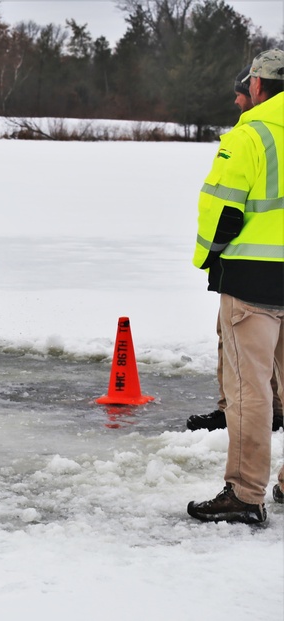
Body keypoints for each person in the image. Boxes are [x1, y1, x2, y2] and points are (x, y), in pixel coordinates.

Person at [187, 49, 284, 524]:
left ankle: (246, 494)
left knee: (249, 390)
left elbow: (223, 210)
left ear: (259, 87)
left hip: (254, 282)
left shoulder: (249, 136)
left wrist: (208, 256)